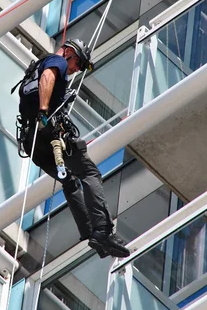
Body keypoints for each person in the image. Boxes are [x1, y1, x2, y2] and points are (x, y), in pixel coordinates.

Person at [16, 38, 130, 259]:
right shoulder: (56, 62)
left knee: (69, 181)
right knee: (89, 172)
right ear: (68, 51)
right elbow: (48, 77)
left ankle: (89, 232)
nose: (76, 69)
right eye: (78, 62)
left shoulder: (37, 69)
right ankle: (103, 231)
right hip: (48, 133)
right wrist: (44, 112)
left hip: (33, 144)